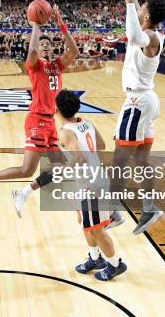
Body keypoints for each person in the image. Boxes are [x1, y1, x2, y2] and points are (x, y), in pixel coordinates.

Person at [0, 5, 78, 208]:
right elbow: (33, 50)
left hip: (50, 123)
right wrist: (36, 26)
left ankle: (23, 193)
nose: (44, 46)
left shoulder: (57, 66)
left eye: (47, 44)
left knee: (61, 166)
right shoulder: (35, 66)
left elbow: (75, 51)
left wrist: (61, 25)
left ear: (52, 49)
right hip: (37, 119)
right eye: (41, 44)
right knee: (27, 170)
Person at [107, 0, 165, 234]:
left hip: (137, 102)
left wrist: (132, 1)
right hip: (146, 100)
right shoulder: (147, 28)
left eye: (139, 6)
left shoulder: (152, 38)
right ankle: (149, 208)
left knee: (120, 156)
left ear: (145, 15)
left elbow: (132, 34)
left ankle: (114, 211)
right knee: (141, 158)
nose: (136, 3)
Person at [55, 90, 127, 281]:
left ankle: (115, 264)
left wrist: (61, 170)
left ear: (57, 110)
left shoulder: (65, 132)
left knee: (96, 229)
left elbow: (79, 158)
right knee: (86, 224)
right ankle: (95, 259)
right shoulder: (86, 122)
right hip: (92, 179)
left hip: (91, 184)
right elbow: (101, 145)